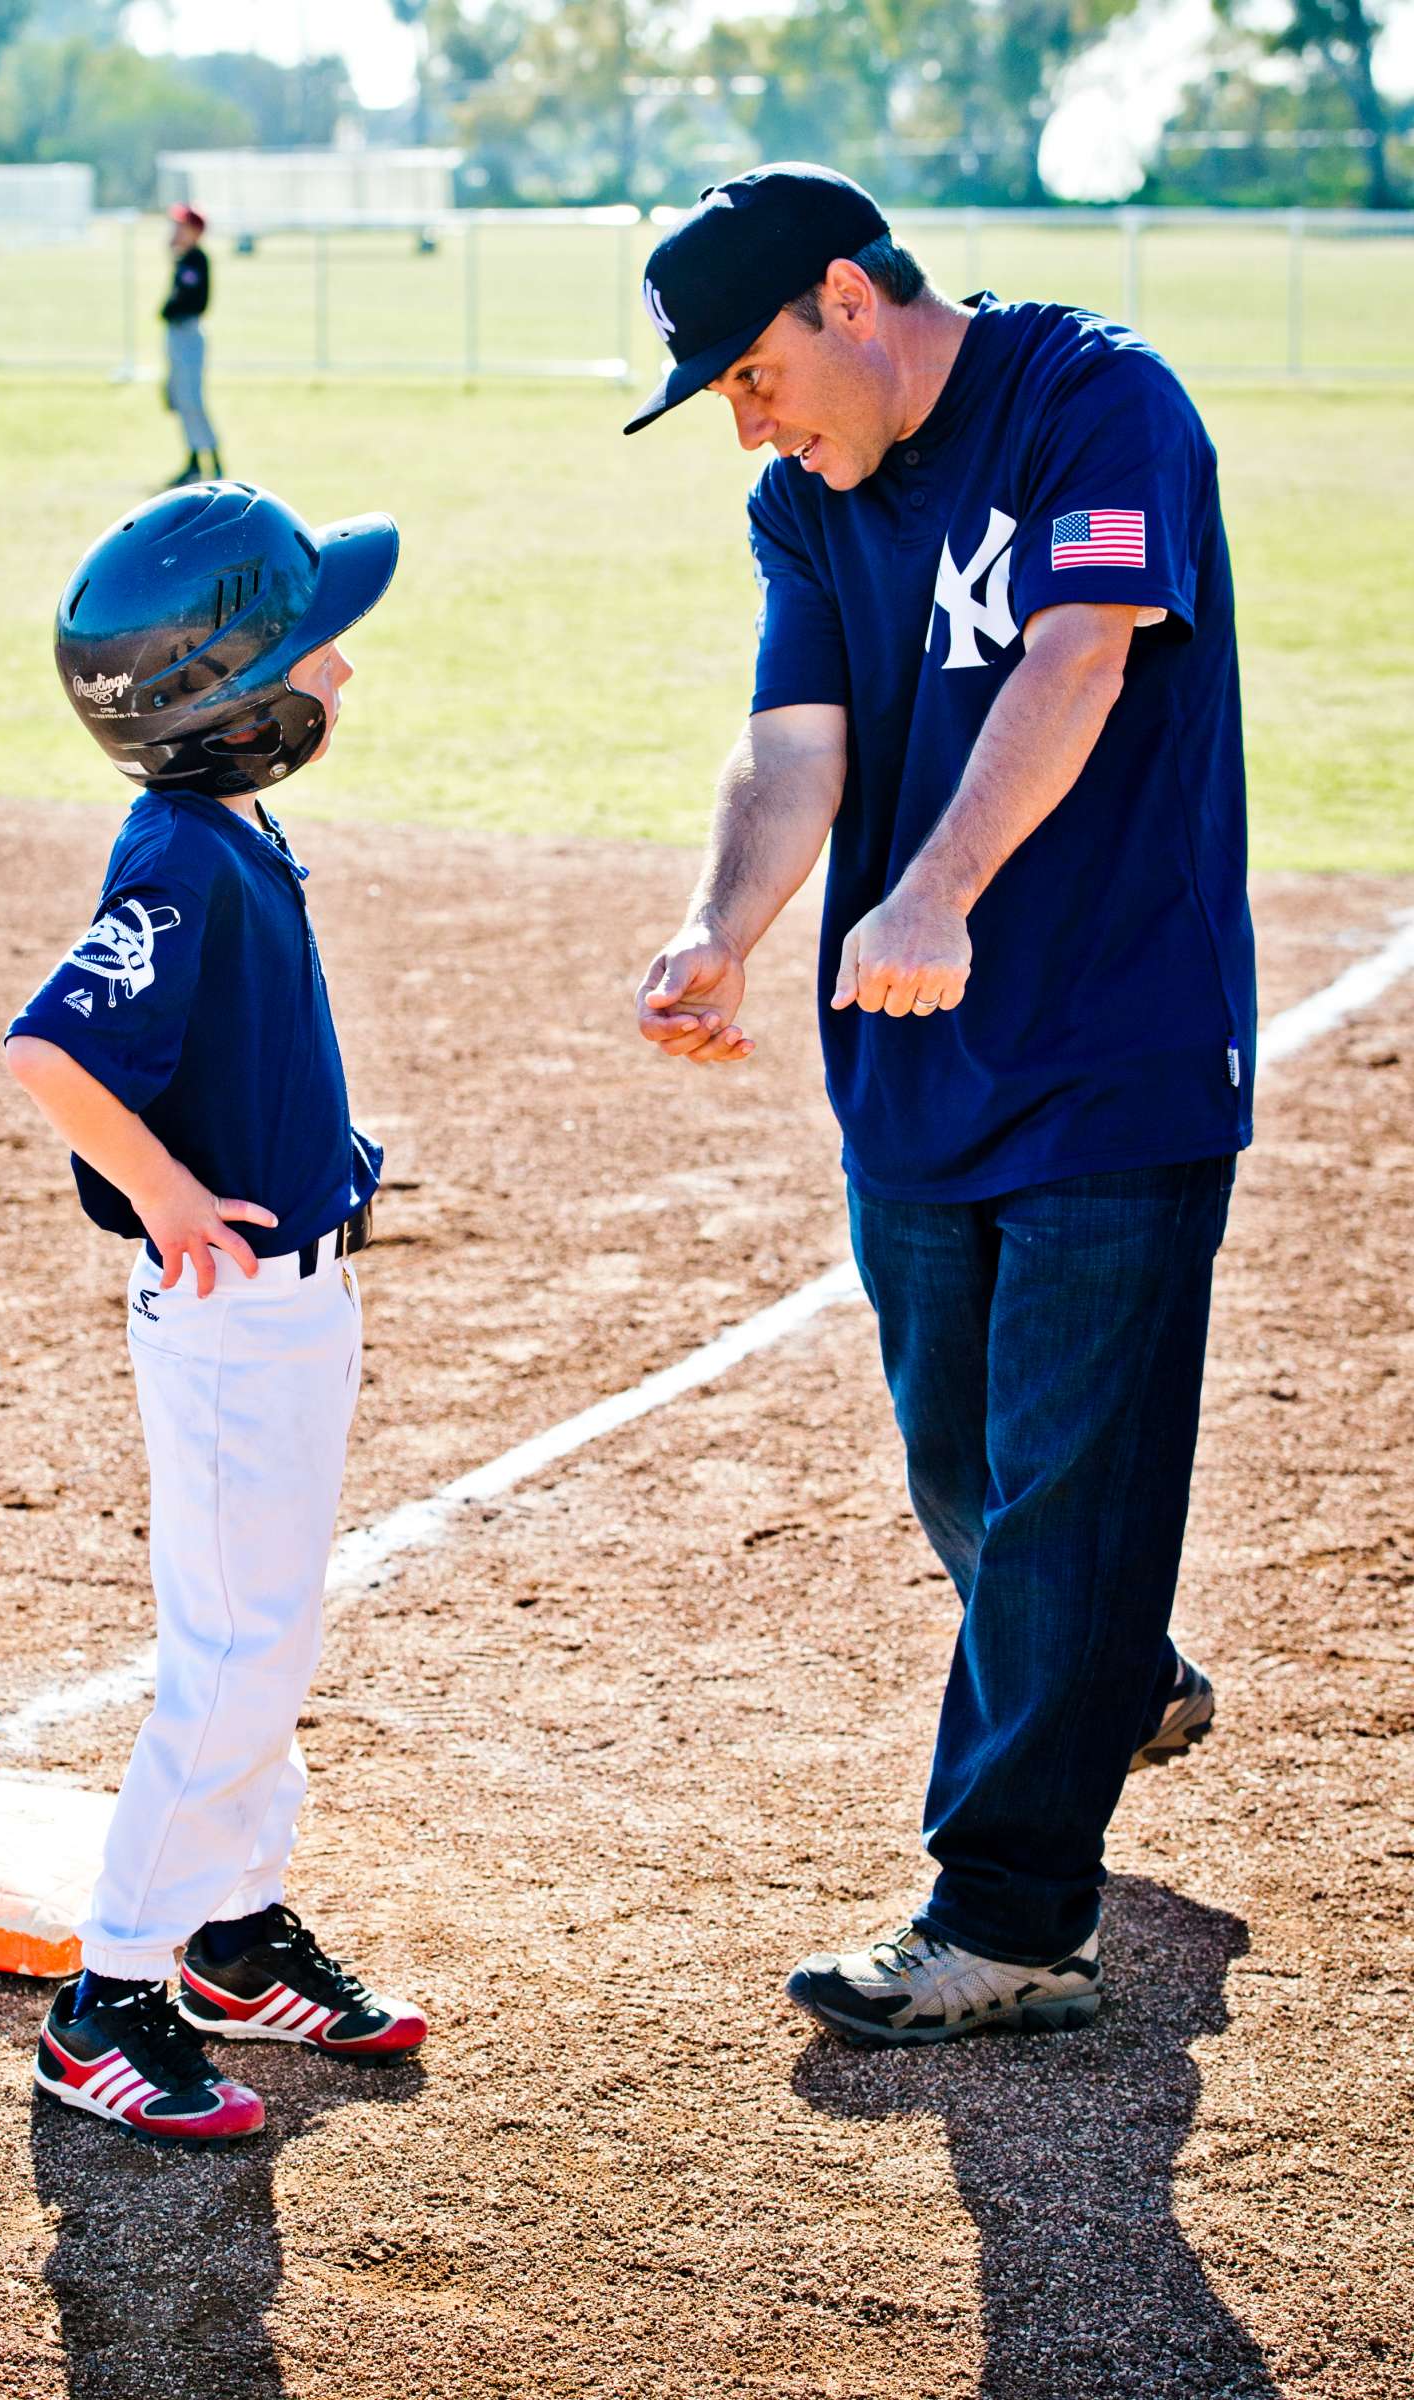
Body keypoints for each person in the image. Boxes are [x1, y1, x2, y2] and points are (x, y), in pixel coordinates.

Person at [627, 164, 1255, 2049]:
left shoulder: (1094, 401)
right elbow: (792, 738)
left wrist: (934, 893)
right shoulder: (801, 503)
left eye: (752, 373)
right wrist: (722, 927)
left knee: (1064, 1483)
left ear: (847, 298)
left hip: (1114, 1049)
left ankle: (1009, 1917)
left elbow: (1078, 653)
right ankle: (1102, 1674)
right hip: (910, 1063)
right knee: (965, 1473)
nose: (748, 421)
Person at [6, 480, 427, 2143]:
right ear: (237, 701)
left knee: (270, 1641)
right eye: (324, 645)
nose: (348, 670)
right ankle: (107, 1998)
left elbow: (239, 1044)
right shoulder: (178, 856)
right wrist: (171, 1195)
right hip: (234, 1316)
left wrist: (321, 1146)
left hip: (291, 1308)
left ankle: (234, 1941)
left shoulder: (229, 827)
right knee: (233, 1658)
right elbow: (51, 1051)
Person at [162, 202, 222, 486]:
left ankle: (212, 458)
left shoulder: (197, 260)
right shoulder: (184, 259)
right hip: (177, 332)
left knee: (192, 398)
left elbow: (189, 300)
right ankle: (194, 459)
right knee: (180, 398)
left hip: (188, 333)